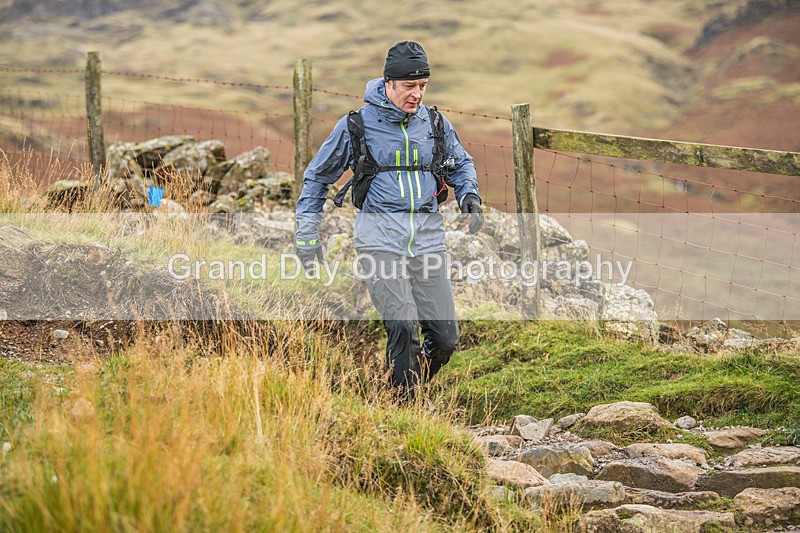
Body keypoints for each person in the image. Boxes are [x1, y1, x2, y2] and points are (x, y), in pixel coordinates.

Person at [295, 41, 483, 403]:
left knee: (445, 340)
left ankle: (400, 383)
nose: (417, 94)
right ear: (388, 84)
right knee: (402, 326)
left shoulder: (436, 124)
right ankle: (404, 408)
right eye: (409, 86)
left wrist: (469, 195)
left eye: (423, 85)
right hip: (379, 241)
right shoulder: (356, 125)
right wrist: (307, 237)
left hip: (428, 241)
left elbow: (462, 164)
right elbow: (317, 178)